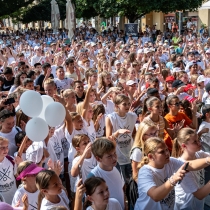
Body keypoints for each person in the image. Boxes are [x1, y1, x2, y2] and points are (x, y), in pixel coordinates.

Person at [134, 137, 210, 210]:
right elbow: (155, 196)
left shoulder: (170, 162)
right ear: (150, 156)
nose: (167, 153)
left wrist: (208, 160)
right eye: (162, 152)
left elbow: (189, 165)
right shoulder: (145, 172)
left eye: (167, 149)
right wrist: (173, 179)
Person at [172, 128, 210, 210]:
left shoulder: (199, 154)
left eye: (198, 140)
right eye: (195, 142)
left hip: (198, 205)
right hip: (186, 207)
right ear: (184, 146)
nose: (199, 143)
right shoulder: (181, 166)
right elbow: (199, 195)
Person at [106, 94, 136, 183]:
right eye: (124, 104)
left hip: (130, 154)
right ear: (116, 105)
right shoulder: (111, 118)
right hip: (117, 156)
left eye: (128, 104)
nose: (127, 106)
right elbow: (108, 139)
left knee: (132, 181)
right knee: (121, 183)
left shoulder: (132, 116)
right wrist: (117, 132)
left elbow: (134, 133)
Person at [88, 138, 125, 209]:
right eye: (109, 156)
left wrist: (124, 204)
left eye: (115, 153)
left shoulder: (117, 166)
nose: (114, 158)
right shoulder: (93, 176)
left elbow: (121, 187)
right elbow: (90, 202)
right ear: (98, 159)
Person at [0, 136, 17, 204]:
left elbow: (16, 175)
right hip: (2, 200)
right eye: (2, 147)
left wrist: (19, 164)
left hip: (13, 196)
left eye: (7, 147)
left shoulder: (11, 159)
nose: (6, 149)